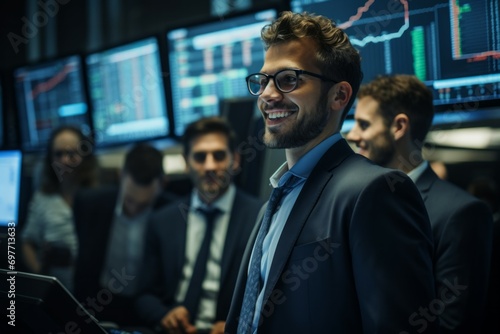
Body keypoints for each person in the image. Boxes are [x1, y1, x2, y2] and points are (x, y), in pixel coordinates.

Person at [226, 11, 437, 334]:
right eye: (264, 80)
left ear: (339, 95)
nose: (268, 95)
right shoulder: (277, 197)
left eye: (288, 79)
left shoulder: (374, 191)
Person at [346, 74, 493, 333]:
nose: (353, 134)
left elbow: (452, 323)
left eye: (363, 124)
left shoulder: (460, 214)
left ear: (399, 126)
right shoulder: (356, 203)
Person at [135, 117, 263, 334]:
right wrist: (164, 316)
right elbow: (143, 295)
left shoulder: (260, 217)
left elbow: (272, 295)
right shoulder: (162, 220)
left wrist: (240, 324)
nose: (210, 166)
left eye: (219, 156)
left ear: (235, 160)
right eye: (200, 157)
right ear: (186, 162)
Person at [73, 142, 176, 327]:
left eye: (143, 205)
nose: (135, 209)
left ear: (163, 183)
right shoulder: (90, 204)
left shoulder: (173, 213)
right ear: (120, 176)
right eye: (129, 201)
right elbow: (82, 266)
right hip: (98, 303)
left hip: (147, 309)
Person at [21, 125, 99, 291]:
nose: (64, 160)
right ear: (50, 158)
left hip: (95, 288)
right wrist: (41, 275)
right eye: (58, 154)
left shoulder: (98, 195)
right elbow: (27, 241)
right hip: (57, 290)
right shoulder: (43, 198)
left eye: (71, 153)